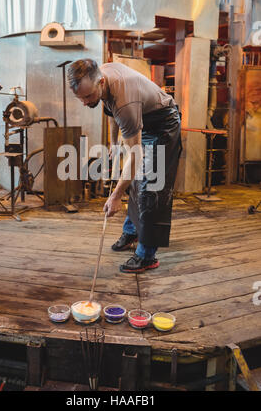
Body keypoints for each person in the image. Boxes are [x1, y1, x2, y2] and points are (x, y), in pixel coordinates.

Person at [67, 59, 181, 273]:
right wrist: (114, 142)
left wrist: (116, 195)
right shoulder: (102, 79)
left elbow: (134, 154)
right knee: (137, 181)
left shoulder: (125, 103)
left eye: (88, 96)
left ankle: (147, 255)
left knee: (152, 186)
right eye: (79, 97)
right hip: (145, 121)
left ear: (101, 82)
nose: (84, 102)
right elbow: (110, 111)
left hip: (164, 125)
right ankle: (132, 231)